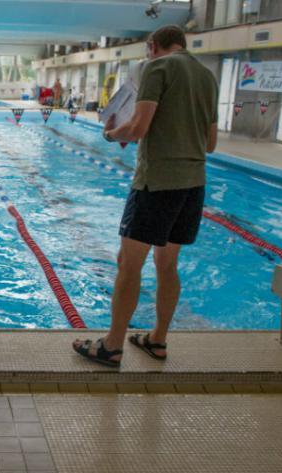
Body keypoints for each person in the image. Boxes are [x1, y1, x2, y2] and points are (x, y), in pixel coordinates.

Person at [72, 25, 218, 367]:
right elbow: (210, 144)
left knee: (129, 264)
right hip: (193, 184)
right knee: (168, 265)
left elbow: (138, 127)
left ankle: (111, 346)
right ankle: (157, 340)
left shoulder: (157, 68)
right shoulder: (206, 76)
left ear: (152, 46)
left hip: (156, 183)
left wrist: (109, 134)